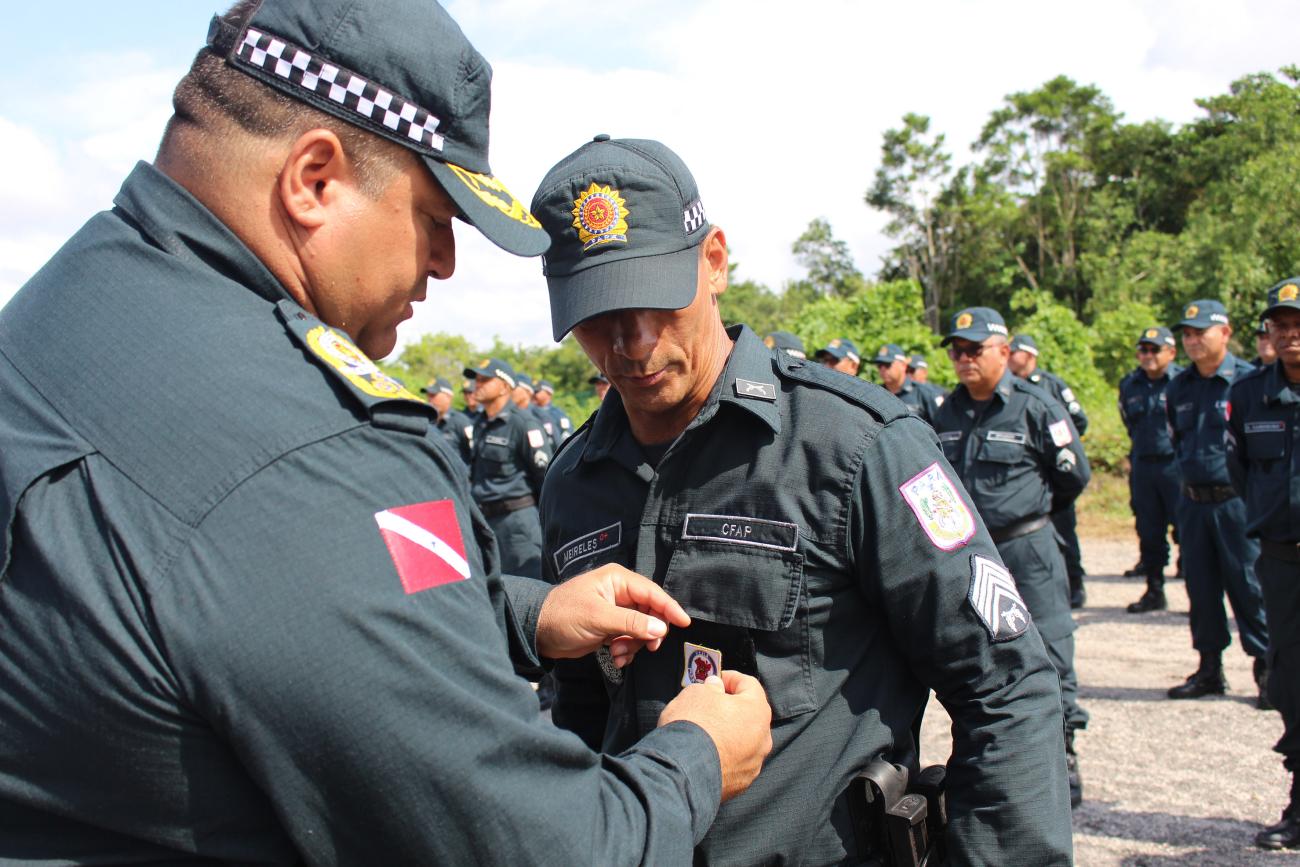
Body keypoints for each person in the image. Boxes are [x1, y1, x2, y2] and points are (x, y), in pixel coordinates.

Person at [0, 3, 777, 862]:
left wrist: (525, 612)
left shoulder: (57, 319)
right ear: (315, 180)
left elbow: (258, 604)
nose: (443, 264)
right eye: (435, 219)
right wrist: (696, 754)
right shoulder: (320, 457)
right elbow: (546, 847)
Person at [528, 135, 1073, 865]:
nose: (633, 341)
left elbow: (1005, 687)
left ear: (714, 260)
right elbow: (582, 719)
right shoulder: (574, 482)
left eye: (656, 298)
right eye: (599, 314)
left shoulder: (854, 446)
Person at [932, 307, 1091, 808]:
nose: (963, 359)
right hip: (972, 552)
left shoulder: (1037, 406)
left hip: (1029, 549)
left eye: (974, 349)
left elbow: (1073, 476)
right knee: (977, 655)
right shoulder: (946, 411)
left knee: (1050, 648)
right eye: (957, 351)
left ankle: (1063, 757)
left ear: (1004, 350)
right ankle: (994, 760)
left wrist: (1031, 516)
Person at [1165, 299, 1270, 704]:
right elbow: (1177, 438)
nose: (1192, 340)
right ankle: (1210, 670)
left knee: (1249, 585)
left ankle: (1266, 670)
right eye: (1187, 334)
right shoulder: (1179, 386)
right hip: (1192, 502)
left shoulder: (1248, 381)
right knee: (1201, 587)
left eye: (1200, 332)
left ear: (1224, 333)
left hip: (1236, 503)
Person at [1228, 277, 1300, 850]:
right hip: (1281, 559)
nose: (1291, 334)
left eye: (1299, 324)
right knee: (1291, 679)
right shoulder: (1250, 393)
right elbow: (1239, 469)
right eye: (1282, 324)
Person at [1009, 333, 1090, 608]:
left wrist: (1057, 450)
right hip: (1025, 479)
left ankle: (1075, 584)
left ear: (1030, 355)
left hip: (1052, 474)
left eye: (1014, 352)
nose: (1008, 357)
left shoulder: (1050, 386)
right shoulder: (1008, 388)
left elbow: (1078, 419)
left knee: (1065, 531)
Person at [464, 358, 552, 577]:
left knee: (528, 591)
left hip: (518, 527)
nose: (477, 384)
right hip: (486, 523)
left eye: (485, 379)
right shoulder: (480, 423)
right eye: (477, 379)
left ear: (504, 386)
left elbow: (547, 479)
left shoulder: (523, 424)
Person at [1119, 328, 1183, 612]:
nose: (1148, 356)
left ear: (1171, 352)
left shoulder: (1183, 381)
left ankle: (1199, 592)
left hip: (1175, 465)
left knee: (1187, 528)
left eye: (1154, 350)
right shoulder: (1129, 384)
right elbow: (1128, 422)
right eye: (1143, 350)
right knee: (1148, 528)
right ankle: (1154, 589)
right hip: (1144, 465)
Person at [871, 342, 944, 425]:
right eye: (879, 365)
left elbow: (941, 427)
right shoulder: (876, 395)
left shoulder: (924, 393)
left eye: (887, 365)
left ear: (903, 365)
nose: (883, 369)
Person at [423, 375, 473, 465]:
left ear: (448, 397)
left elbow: (473, 454)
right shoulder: (428, 421)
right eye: (428, 395)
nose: (429, 399)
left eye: (433, 395)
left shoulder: (460, 421)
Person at [511, 371, 557, 449]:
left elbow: (555, 445)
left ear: (528, 392)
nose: (511, 391)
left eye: (515, 387)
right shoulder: (508, 413)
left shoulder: (539, 415)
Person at [534, 379, 573, 444]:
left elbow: (567, 438)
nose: (534, 394)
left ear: (548, 393)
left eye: (537, 391)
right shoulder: (531, 411)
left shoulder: (558, 414)